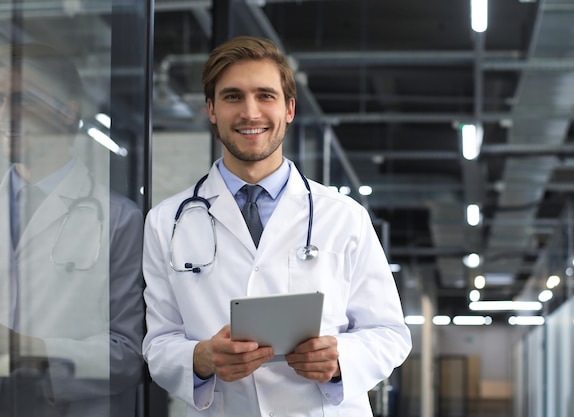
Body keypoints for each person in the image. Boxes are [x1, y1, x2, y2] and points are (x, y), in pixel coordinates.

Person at [142, 35, 412, 417]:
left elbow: (390, 334)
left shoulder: (344, 216)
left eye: (265, 96)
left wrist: (340, 360)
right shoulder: (166, 222)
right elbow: (158, 343)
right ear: (212, 110)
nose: (250, 113)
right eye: (233, 96)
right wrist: (200, 358)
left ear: (289, 109)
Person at [0, 43, 144, 416]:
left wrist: (33, 351)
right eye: (0, 98)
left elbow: (128, 355)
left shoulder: (119, 221)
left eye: (23, 99)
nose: (6, 113)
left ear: (67, 113)